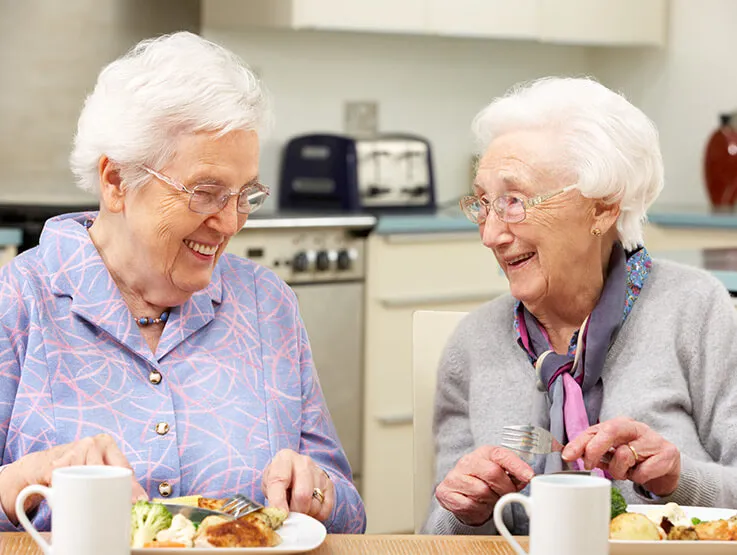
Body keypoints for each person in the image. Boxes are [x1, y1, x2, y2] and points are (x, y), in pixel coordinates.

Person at [0, 31, 365, 533]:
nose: (231, 222)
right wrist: (24, 478)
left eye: (245, 194)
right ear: (116, 182)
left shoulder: (266, 305)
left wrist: (316, 489)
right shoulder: (18, 301)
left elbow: (349, 511)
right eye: (207, 192)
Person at [423, 77, 737, 535]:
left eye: (514, 201)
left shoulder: (695, 310)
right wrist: (464, 510)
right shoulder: (472, 344)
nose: (490, 234)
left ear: (603, 208)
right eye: (484, 204)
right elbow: (436, 533)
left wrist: (678, 478)